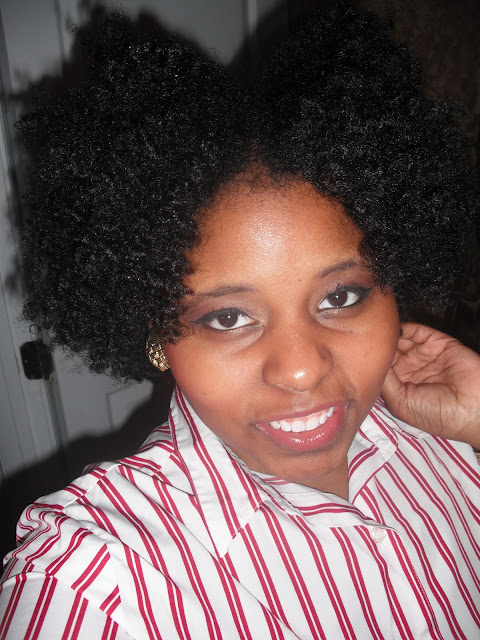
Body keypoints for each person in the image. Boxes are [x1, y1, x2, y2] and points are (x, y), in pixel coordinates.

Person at [1, 4, 479, 639]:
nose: (301, 369)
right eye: (228, 317)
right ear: (156, 330)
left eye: (341, 297)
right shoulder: (95, 582)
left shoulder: (446, 437)